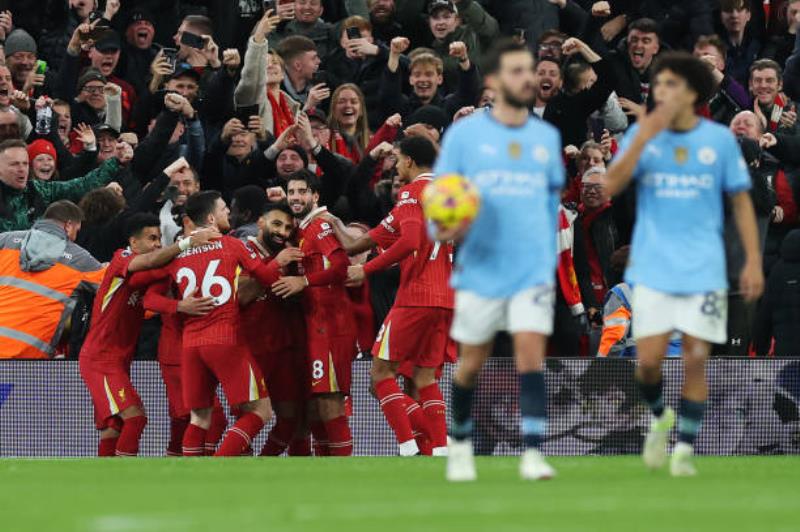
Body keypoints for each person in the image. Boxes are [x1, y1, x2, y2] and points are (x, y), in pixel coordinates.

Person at [605, 52, 764, 476]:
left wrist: (751, 262)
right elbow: (610, 185)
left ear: (692, 93)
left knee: (696, 358)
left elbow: (742, 203)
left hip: (704, 270)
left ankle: (683, 452)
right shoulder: (645, 136)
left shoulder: (717, 142)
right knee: (648, 363)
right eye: (658, 85)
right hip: (653, 269)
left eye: (671, 85)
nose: (662, 92)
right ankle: (660, 419)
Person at [433, 39, 564, 481]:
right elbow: (445, 196)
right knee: (472, 361)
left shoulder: (545, 137)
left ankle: (531, 452)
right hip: (481, 266)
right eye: (516, 71)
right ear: (493, 80)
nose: (527, 78)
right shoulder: (465, 136)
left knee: (531, 357)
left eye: (530, 71)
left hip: (529, 267)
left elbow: (550, 205)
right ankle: (462, 445)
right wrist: (445, 227)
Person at [330, 136, 453, 456]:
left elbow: (410, 240)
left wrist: (365, 271)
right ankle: (440, 447)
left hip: (415, 296)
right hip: (444, 298)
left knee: (380, 374)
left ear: (410, 161)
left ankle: (408, 445)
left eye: (398, 160)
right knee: (425, 378)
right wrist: (333, 225)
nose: (396, 167)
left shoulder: (413, 193)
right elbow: (375, 236)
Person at [155, 191, 301, 457]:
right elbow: (266, 279)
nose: (228, 214)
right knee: (261, 411)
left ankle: (189, 479)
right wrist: (278, 263)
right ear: (211, 218)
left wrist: (176, 306)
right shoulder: (233, 246)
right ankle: (222, 464)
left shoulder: (177, 254)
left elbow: (151, 296)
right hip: (225, 339)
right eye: (223, 209)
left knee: (199, 418)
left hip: (190, 344)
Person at [79, 213, 219, 457]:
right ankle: (127, 480)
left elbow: (154, 278)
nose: (157, 243)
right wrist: (186, 245)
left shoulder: (142, 274)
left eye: (159, 238)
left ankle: (104, 484)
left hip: (119, 360)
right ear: (133, 243)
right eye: (151, 238)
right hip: (100, 359)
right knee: (135, 418)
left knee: (113, 427)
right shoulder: (121, 258)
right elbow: (151, 265)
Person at [273, 170, 356, 455]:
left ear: (315, 196)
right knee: (316, 404)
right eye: (291, 192)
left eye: (302, 191)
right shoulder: (303, 230)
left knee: (329, 400)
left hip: (332, 324)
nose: (296, 197)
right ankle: (324, 471)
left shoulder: (320, 226)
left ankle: (343, 471)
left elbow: (341, 265)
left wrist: (304, 281)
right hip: (316, 324)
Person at [238, 203, 308, 456]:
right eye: (276, 224)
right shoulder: (242, 250)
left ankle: (264, 466)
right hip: (249, 350)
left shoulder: (290, 256)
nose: (282, 232)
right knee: (249, 419)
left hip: (281, 349)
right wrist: (275, 264)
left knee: (290, 419)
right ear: (260, 223)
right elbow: (241, 297)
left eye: (288, 227)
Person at [0, 200, 105, 359]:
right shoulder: (79, 259)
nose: (75, 237)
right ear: (68, 226)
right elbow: (115, 288)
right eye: (77, 230)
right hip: (29, 360)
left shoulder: (5, 241)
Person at [0, 138, 120, 232]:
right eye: (14, 164)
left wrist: (116, 161)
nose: (22, 169)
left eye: (25, 164)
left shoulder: (39, 189)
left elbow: (82, 185)